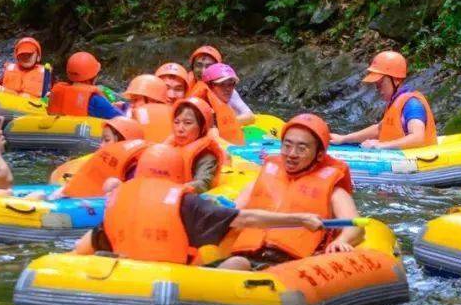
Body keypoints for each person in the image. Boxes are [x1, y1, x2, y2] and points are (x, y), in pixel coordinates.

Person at [75, 141, 326, 262]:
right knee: (238, 263)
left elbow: (93, 240)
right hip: (167, 282)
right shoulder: (185, 202)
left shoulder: (119, 196)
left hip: (119, 272)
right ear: (177, 174)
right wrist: (300, 219)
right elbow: (247, 218)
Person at [217, 114, 363, 270]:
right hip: (248, 254)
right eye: (287, 145)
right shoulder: (262, 180)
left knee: (237, 264)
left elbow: (355, 225)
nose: (292, 154)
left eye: (302, 148)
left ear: (319, 155)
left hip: (292, 264)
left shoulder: (334, 191)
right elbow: (233, 214)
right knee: (237, 263)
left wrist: (342, 240)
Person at [331, 49, 436, 151]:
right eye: (376, 86)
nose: (378, 90)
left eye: (381, 84)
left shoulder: (412, 104)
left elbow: (417, 138)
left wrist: (381, 146)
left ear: (395, 80)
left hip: (423, 161)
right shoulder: (396, 101)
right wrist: (344, 138)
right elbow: (379, 129)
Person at [56, 117, 145, 198]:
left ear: (124, 143)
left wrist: (119, 189)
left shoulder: (135, 172)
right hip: (86, 200)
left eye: (106, 140)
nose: (101, 145)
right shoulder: (102, 163)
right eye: (101, 140)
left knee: (112, 183)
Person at [47, 52, 125, 119]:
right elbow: (122, 119)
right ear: (93, 77)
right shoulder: (95, 100)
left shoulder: (56, 91)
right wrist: (126, 107)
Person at [197, 61, 252, 144]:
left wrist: (228, 123)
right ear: (209, 85)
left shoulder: (233, 93)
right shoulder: (201, 102)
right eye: (221, 84)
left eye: (231, 84)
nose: (227, 89)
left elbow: (250, 116)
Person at [124, 74, 176, 142]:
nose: (132, 105)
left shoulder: (175, 122)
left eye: (136, 100)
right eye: (131, 101)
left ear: (153, 100)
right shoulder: (133, 115)